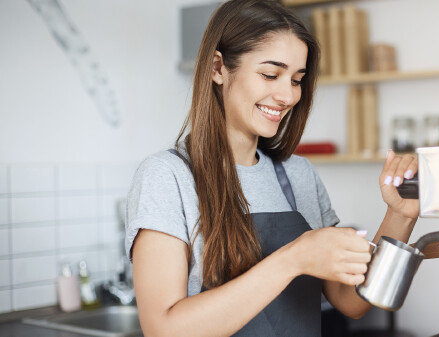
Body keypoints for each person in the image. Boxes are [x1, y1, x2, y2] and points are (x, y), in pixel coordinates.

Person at [125, 0, 419, 336]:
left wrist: (400, 215)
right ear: (218, 68)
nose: (288, 95)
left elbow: (350, 301)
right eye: (270, 74)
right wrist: (294, 259)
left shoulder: (299, 175)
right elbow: (164, 330)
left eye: (296, 79)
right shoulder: (167, 176)